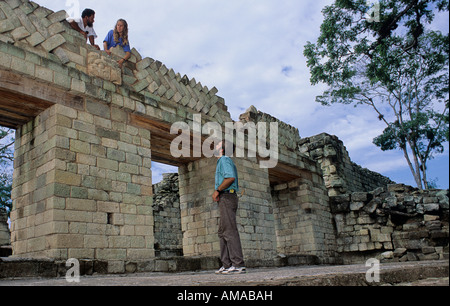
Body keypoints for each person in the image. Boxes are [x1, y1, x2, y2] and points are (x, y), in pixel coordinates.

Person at [212, 141, 246, 275]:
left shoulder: (224, 159)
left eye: (217, 146)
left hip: (227, 197)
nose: (214, 148)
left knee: (229, 230)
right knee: (222, 232)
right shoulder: (222, 161)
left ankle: (238, 264)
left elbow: (230, 178)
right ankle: (226, 265)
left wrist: (217, 190)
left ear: (222, 150)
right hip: (225, 198)